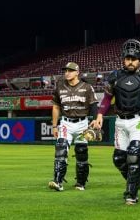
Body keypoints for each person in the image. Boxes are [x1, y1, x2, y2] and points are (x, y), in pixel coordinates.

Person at [91, 39, 140, 205]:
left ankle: (131, 194)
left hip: (139, 120)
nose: (130, 62)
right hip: (120, 121)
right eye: (127, 58)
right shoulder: (115, 77)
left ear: (139, 59)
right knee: (119, 159)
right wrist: (99, 115)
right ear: (123, 59)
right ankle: (137, 178)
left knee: (133, 154)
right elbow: (106, 98)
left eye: (133, 59)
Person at [48, 62, 98, 192]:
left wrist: (95, 120)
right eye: (66, 71)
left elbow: (93, 105)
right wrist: (54, 126)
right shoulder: (60, 87)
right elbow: (55, 107)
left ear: (77, 72)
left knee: (81, 153)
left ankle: (80, 183)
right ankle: (58, 181)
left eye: (70, 71)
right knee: (61, 151)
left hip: (82, 123)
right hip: (66, 123)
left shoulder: (87, 87)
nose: (67, 73)